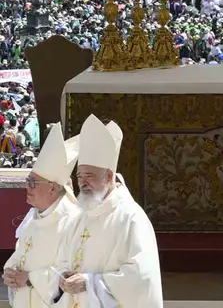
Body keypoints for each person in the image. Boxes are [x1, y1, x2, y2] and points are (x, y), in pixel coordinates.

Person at [53, 115, 163, 308]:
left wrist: (89, 282)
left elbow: (142, 277)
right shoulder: (82, 213)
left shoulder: (130, 217)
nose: (83, 183)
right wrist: (63, 274)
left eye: (90, 176)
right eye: (79, 176)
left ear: (109, 176)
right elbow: (64, 255)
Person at [2, 124, 80, 308]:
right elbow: (20, 255)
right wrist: (9, 272)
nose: (26, 187)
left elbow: (75, 273)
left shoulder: (74, 220)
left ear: (53, 188)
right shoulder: (33, 217)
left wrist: (30, 279)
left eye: (32, 182)